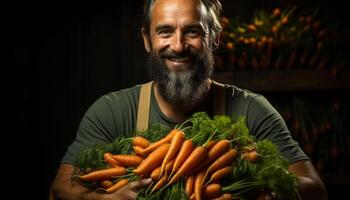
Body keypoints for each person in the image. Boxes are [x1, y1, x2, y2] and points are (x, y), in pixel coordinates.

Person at [49, 0, 328, 199]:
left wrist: (254, 186)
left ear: (215, 39)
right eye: (165, 31)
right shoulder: (111, 111)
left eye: (192, 31)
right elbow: (58, 190)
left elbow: (315, 190)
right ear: (147, 39)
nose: (179, 45)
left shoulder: (251, 110)